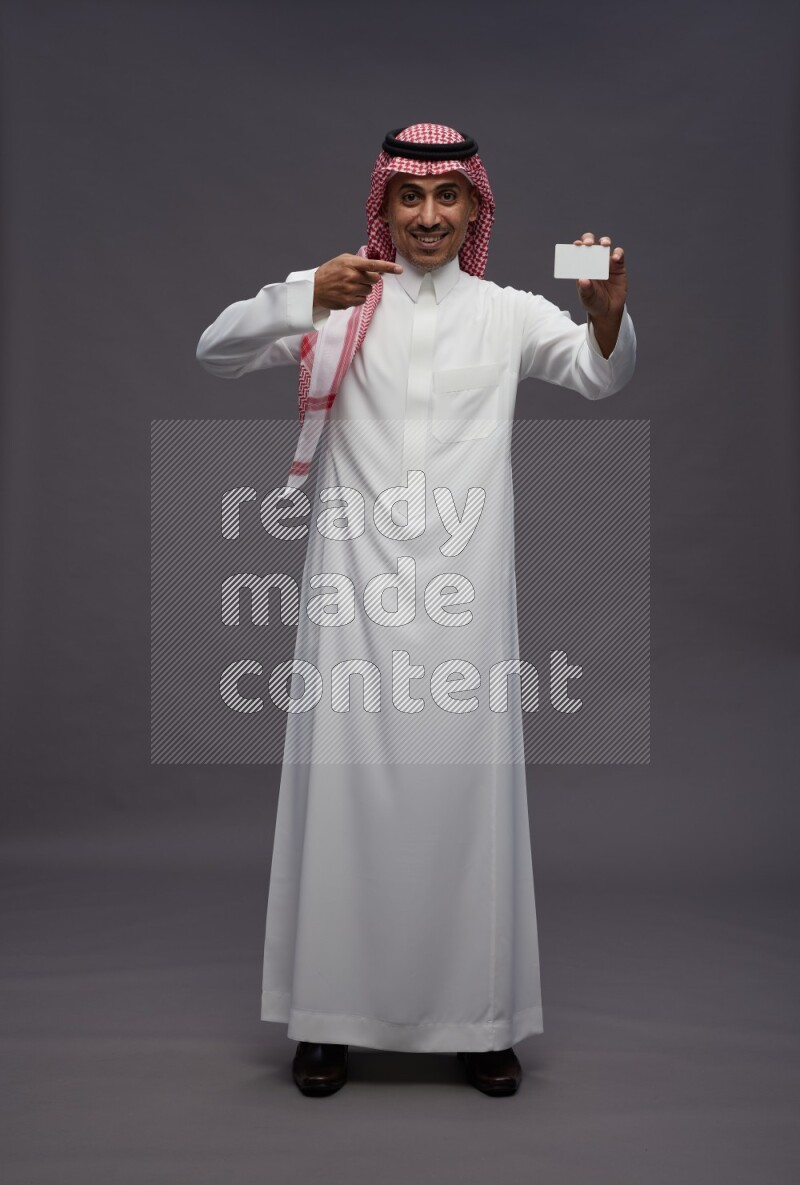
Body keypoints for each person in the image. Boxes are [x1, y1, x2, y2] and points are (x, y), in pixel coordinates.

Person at [196, 123, 636, 1097]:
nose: (429, 217)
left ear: (475, 209)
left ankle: (479, 1024)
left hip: (465, 606)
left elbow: (597, 372)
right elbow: (216, 350)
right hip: (350, 599)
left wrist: (604, 315)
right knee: (341, 803)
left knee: (465, 806)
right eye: (411, 199)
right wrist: (304, 293)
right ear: (383, 207)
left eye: (449, 201)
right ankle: (325, 1021)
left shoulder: (506, 313)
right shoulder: (344, 299)